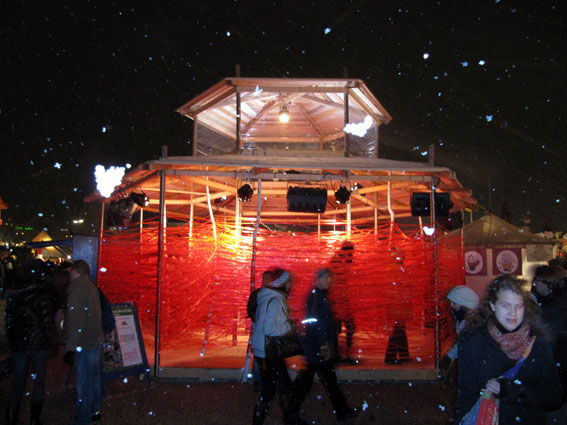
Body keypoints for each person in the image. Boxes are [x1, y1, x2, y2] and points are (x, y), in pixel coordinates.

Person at [456, 275, 562, 424]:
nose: (513, 313)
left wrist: (510, 389)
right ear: (492, 306)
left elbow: (553, 397)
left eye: (518, 306)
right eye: (506, 306)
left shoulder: (538, 344)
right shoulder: (474, 341)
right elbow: (467, 394)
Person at [293, 268, 358, 423]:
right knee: (320, 382)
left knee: (323, 381)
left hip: (318, 349)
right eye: (327, 277)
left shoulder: (321, 296)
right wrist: (323, 343)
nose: (330, 280)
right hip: (317, 349)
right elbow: (313, 322)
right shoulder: (316, 297)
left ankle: (342, 411)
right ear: (319, 279)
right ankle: (291, 412)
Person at [5, 259, 57, 425]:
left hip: (20, 344)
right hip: (38, 343)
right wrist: (52, 343)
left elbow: (9, 322)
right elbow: (46, 321)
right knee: (38, 382)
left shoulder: (14, 294)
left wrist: (13, 342)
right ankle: (34, 420)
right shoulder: (42, 294)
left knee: (17, 383)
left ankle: (12, 418)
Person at [251, 270, 305, 425]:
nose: (291, 286)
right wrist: (288, 326)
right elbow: (270, 329)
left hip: (266, 350)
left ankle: (285, 418)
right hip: (270, 351)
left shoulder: (268, 297)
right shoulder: (275, 301)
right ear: (283, 284)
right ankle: (289, 419)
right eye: (289, 282)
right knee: (279, 387)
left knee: (275, 387)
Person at [65, 260, 104, 425]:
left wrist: (70, 348)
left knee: (83, 382)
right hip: (94, 340)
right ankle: (95, 410)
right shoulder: (92, 288)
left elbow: (76, 322)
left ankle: (83, 417)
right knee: (94, 378)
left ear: (75, 272)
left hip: (84, 342)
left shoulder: (76, 291)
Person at [531, 266, 567, 412]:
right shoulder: (553, 301)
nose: (534, 285)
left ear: (547, 282)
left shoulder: (554, 305)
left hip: (559, 362)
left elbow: (550, 335)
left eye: (536, 282)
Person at [440, 285, 480, 376]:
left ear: (464, 304)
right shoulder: (463, 319)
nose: (451, 305)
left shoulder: (473, 324)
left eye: (454, 303)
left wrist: (450, 356)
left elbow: (464, 343)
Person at [328, 241, 356, 362]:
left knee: (346, 327)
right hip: (337, 301)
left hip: (342, 301)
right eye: (351, 252)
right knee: (338, 328)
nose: (352, 255)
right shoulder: (337, 261)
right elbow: (338, 281)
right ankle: (337, 354)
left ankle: (341, 353)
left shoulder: (342, 261)